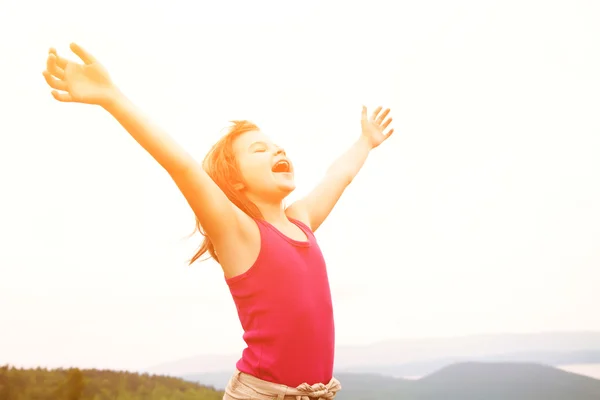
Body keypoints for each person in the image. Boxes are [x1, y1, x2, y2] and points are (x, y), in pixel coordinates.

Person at [42, 43, 395, 400]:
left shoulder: (301, 220)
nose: (278, 151)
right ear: (235, 180)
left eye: (278, 147)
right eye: (259, 149)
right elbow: (180, 164)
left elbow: (339, 176)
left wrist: (365, 142)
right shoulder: (238, 232)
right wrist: (111, 97)